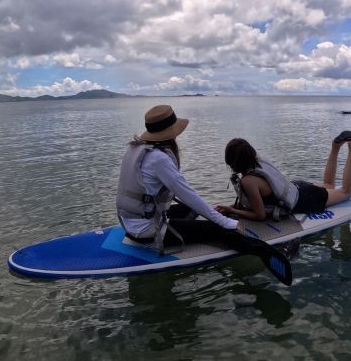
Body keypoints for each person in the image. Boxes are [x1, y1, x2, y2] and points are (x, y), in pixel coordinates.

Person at [115, 104, 292, 285]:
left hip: (130, 223)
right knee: (216, 229)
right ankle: (263, 250)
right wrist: (225, 222)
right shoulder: (159, 159)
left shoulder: (136, 149)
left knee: (190, 209)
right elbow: (189, 195)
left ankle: (194, 229)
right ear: (171, 132)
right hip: (148, 231)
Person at [216, 131, 351, 222]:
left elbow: (260, 215)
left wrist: (233, 211)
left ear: (231, 162)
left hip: (303, 199)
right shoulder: (258, 161)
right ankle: (335, 148)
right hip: (297, 188)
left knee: (345, 193)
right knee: (329, 185)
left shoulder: (248, 181)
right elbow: (254, 202)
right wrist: (229, 207)